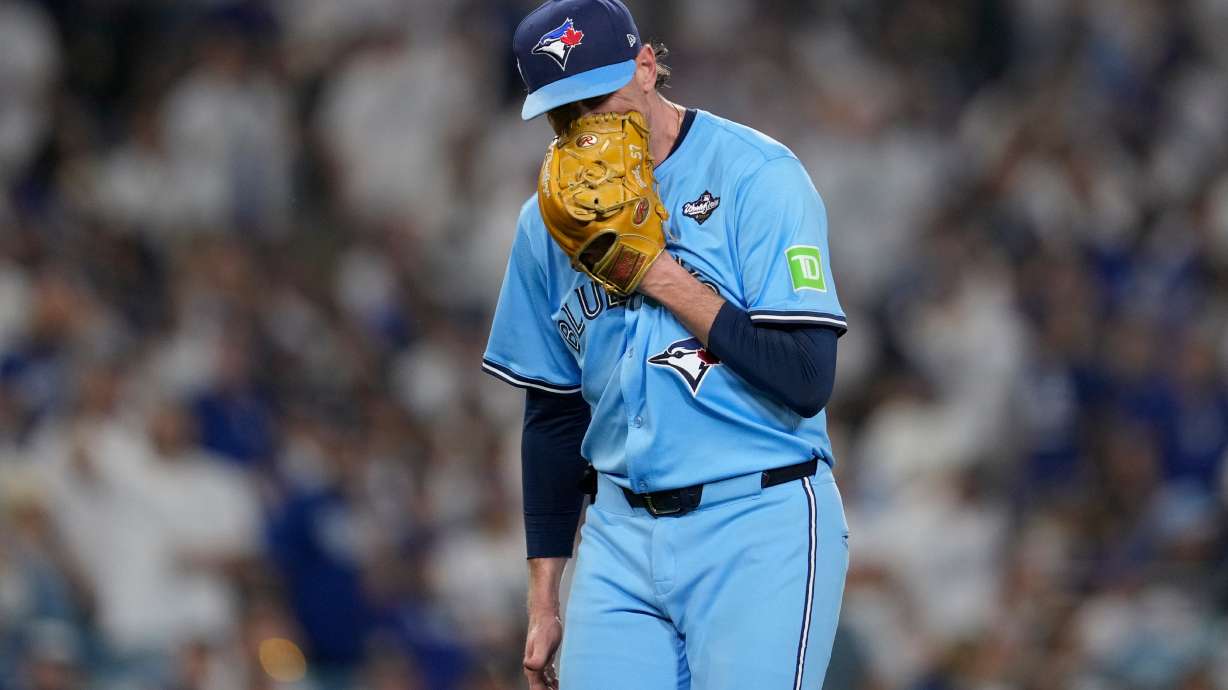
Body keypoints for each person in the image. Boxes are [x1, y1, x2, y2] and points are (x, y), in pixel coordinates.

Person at [482, 1, 850, 687]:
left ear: (647, 66)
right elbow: (554, 414)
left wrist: (655, 274)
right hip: (620, 537)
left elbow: (806, 378)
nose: (587, 121)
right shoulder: (546, 223)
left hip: (757, 519)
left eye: (601, 95)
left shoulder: (756, 176)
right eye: (566, 109)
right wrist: (543, 597)